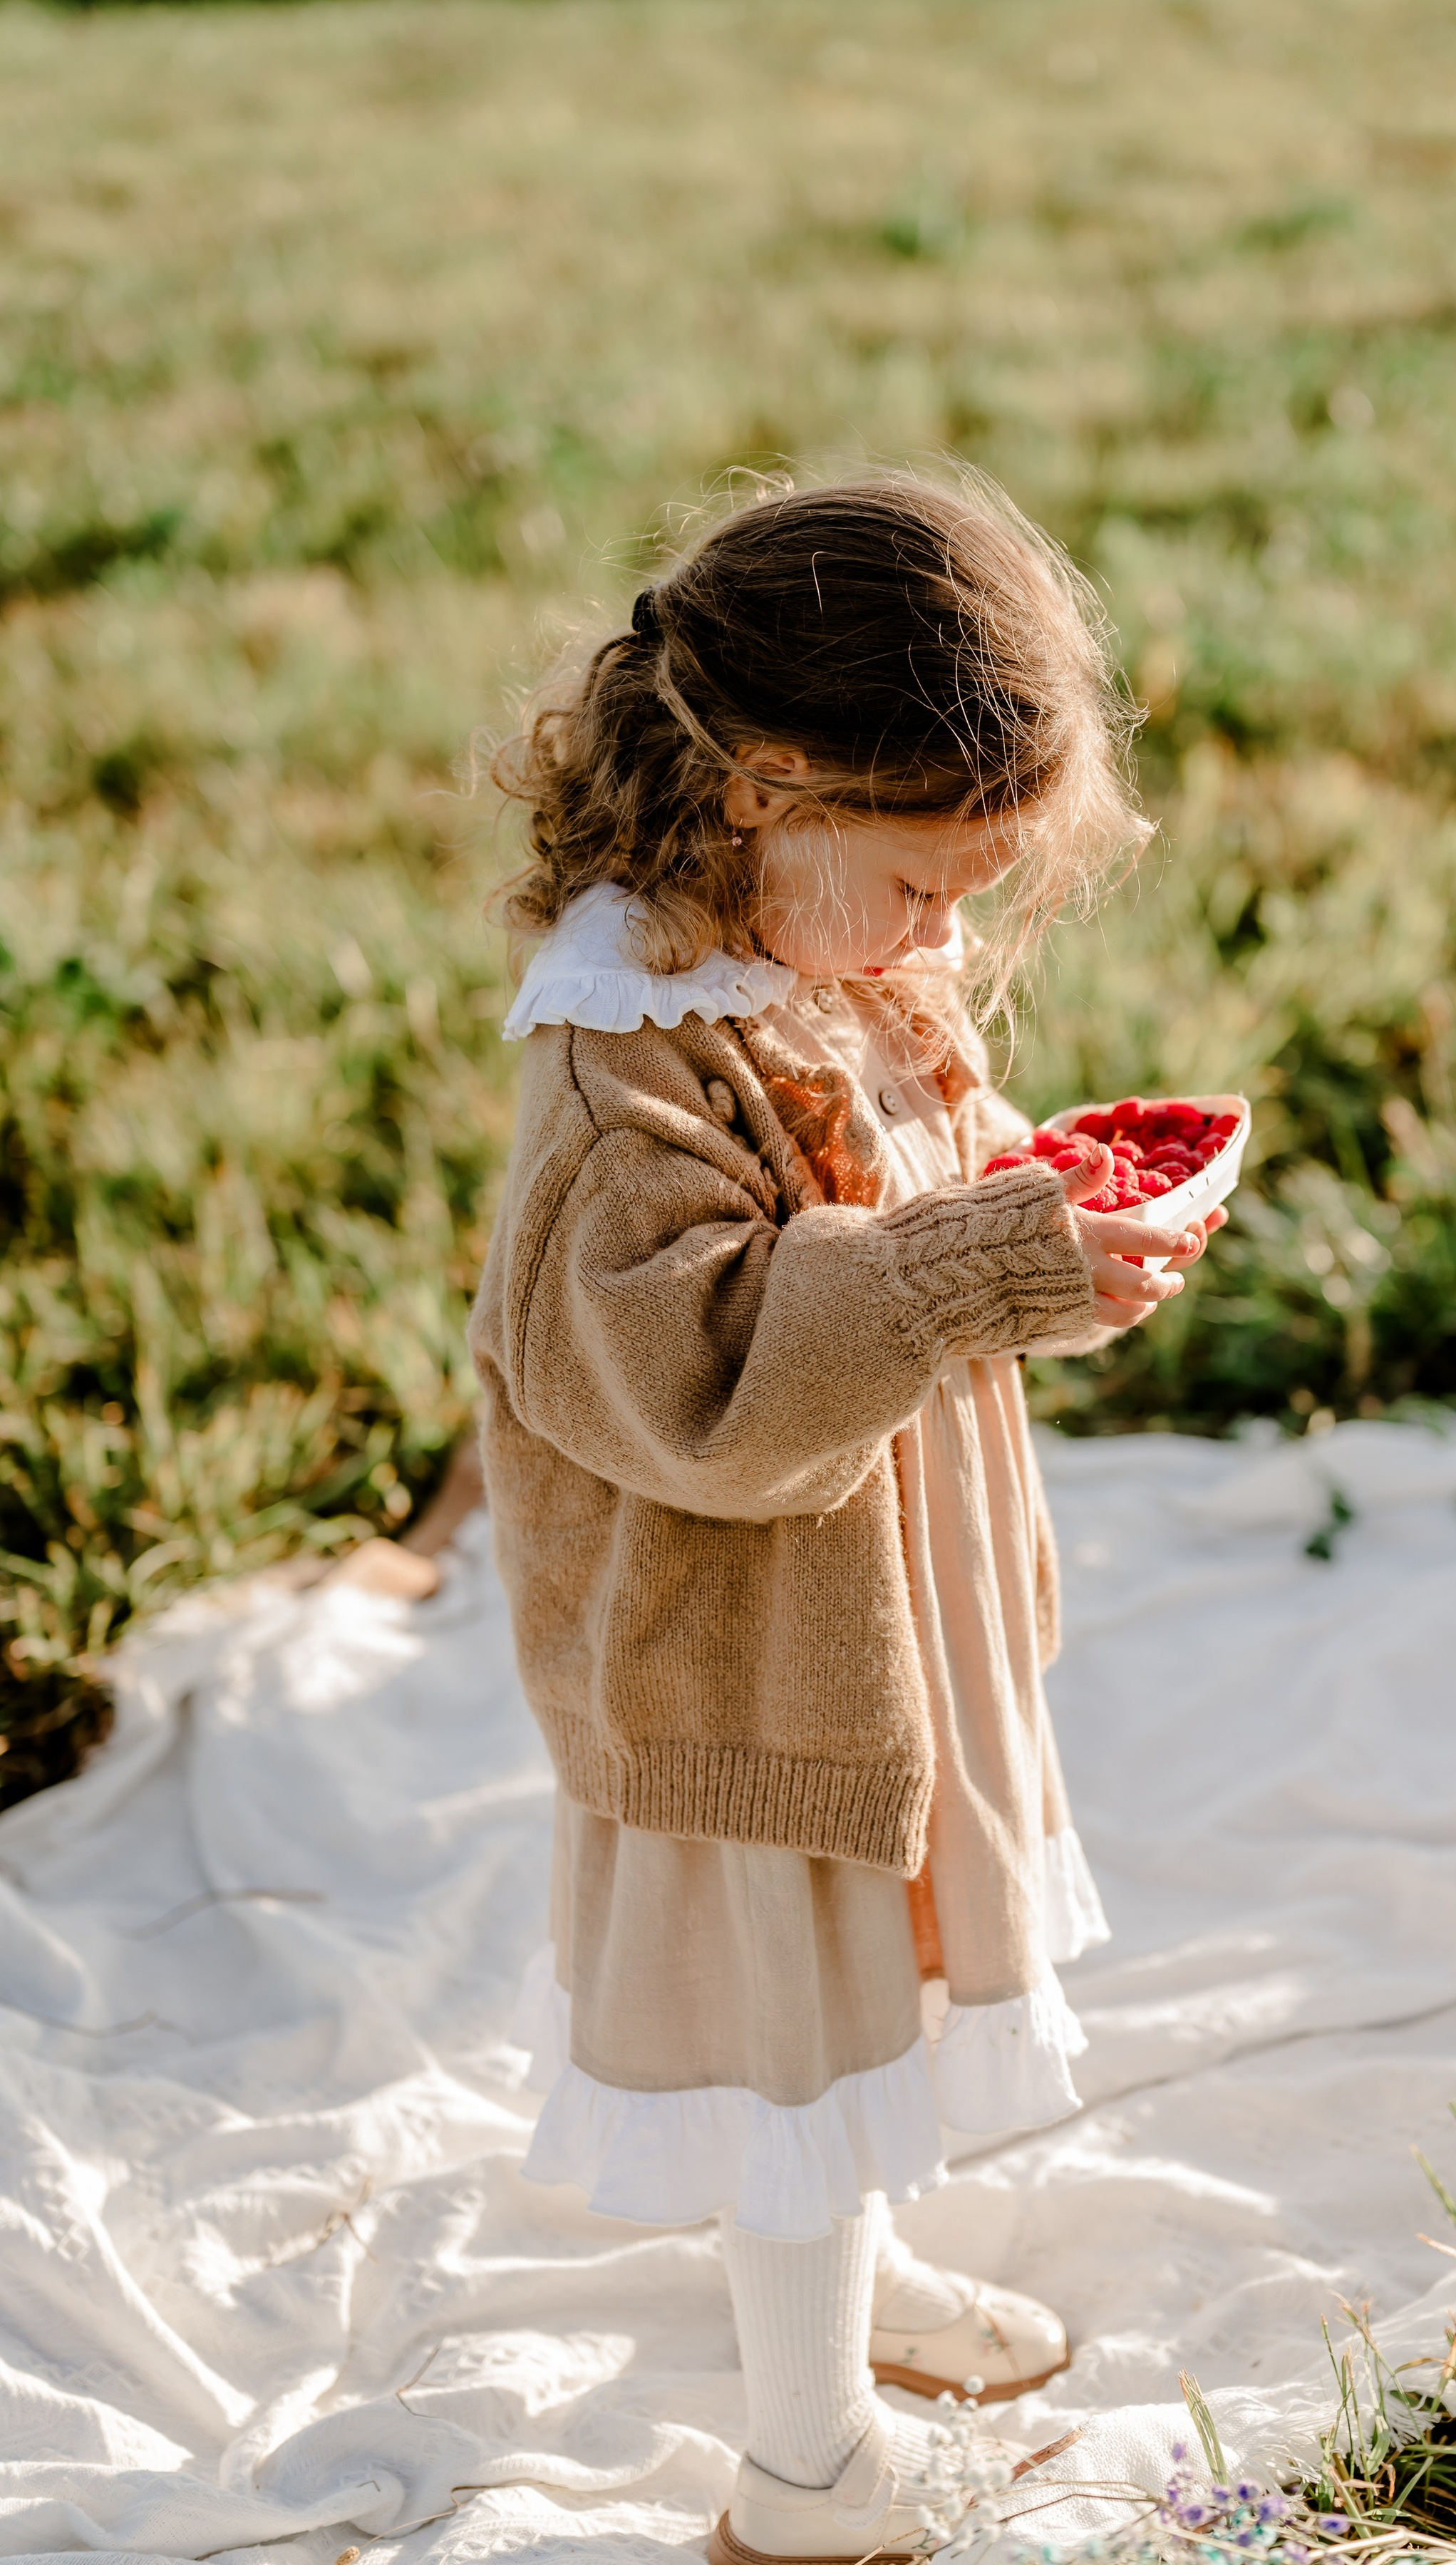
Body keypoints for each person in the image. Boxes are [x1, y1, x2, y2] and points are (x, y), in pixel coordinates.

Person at [470, 473, 1224, 2565]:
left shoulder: (832, 953)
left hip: (877, 1627)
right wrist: (981, 1268)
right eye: (921, 886)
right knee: (786, 2056)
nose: (950, 944)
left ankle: (848, 2289)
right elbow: (699, 1382)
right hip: (742, 1678)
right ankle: (802, 2482)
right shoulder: (622, 1074)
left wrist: (1051, 1214)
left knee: (852, 2014)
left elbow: (918, 1180)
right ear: (751, 802)